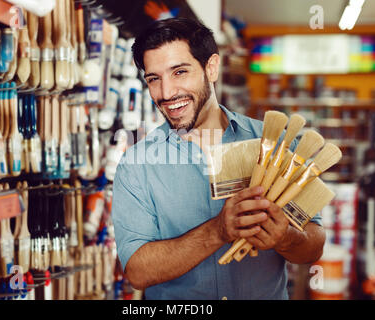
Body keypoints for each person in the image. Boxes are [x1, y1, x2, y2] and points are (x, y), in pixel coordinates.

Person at [111, 17, 325, 300]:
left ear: (211, 67)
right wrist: (218, 231)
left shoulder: (274, 143)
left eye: (179, 72)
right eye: (154, 79)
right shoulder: (136, 165)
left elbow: (314, 247)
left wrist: (285, 236)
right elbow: (137, 272)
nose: (166, 93)